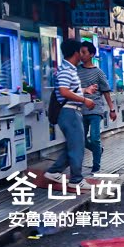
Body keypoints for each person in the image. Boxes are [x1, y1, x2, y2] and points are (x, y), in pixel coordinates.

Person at [44, 38, 97, 190]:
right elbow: (63, 91)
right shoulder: (67, 70)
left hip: (71, 111)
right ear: (76, 53)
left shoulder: (68, 69)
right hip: (69, 112)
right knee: (77, 146)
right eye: (81, 51)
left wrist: (85, 91)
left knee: (74, 145)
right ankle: (76, 179)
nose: (83, 54)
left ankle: (54, 172)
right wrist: (85, 99)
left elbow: (67, 89)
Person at [77, 41, 116, 176]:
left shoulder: (98, 72)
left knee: (94, 138)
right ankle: (98, 149)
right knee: (80, 139)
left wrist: (112, 109)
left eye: (84, 52)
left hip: (95, 109)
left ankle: (96, 166)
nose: (82, 55)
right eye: (80, 52)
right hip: (80, 110)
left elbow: (106, 91)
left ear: (92, 54)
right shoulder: (77, 70)